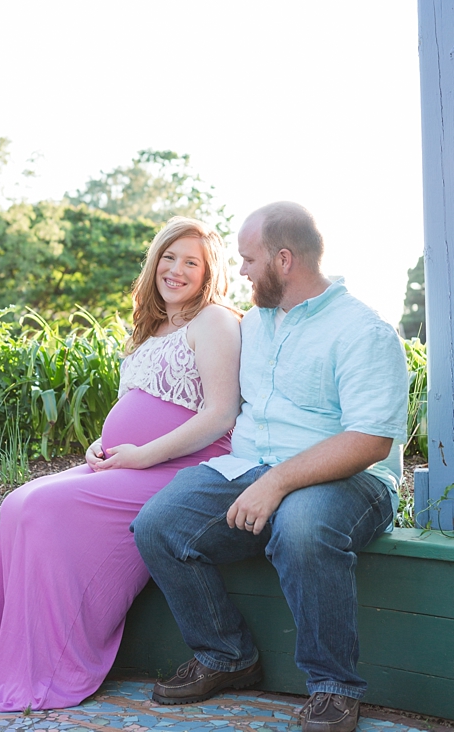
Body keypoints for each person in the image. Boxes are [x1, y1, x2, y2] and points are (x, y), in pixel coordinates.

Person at [133, 202, 407, 732]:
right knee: (159, 525)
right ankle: (226, 655)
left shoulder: (362, 329)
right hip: (250, 466)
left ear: (284, 260)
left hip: (350, 480)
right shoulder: (254, 325)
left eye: (248, 260)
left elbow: (370, 441)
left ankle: (333, 687)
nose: (239, 273)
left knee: (300, 526)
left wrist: (279, 482)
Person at [0, 217, 242, 712]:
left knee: (43, 510)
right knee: (17, 504)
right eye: (169, 257)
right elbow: (142, 402)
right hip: (129, 463)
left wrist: (143, 454)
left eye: (192, 262)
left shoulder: (214, 320)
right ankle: (22, 660)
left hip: (182, 469)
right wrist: (100, 443)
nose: (176, 269)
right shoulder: (151, 327)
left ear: (209, 273)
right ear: (154, 262)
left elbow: (219, 414)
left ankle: (55, 668)